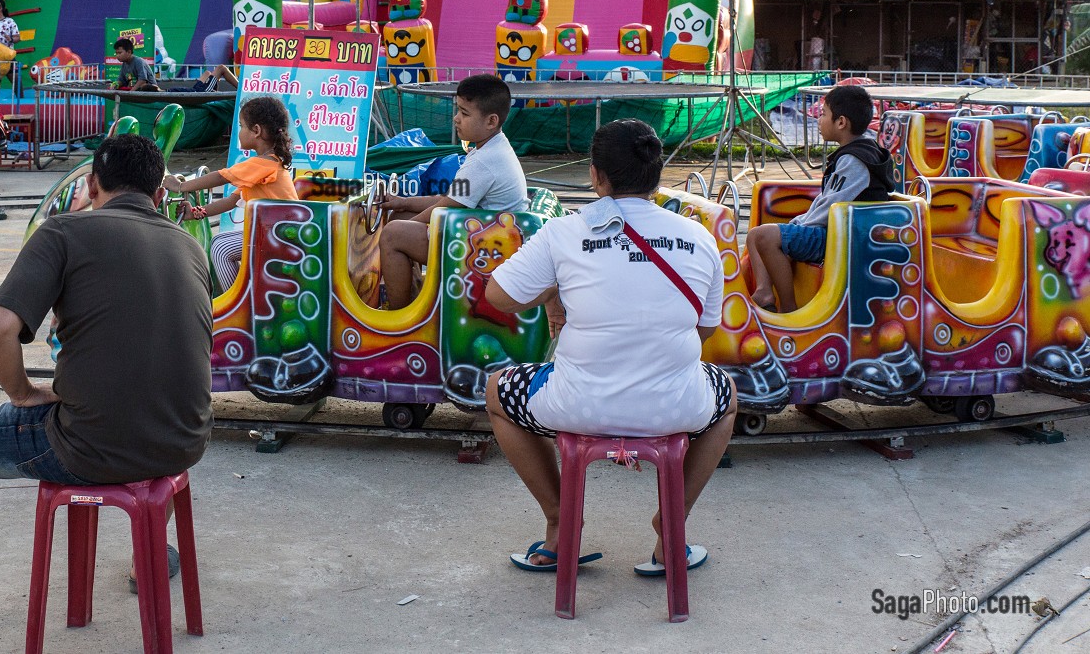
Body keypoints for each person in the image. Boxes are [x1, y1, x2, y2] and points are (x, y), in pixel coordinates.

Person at [0, 134, 212, 636]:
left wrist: (21, 394)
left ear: (92, 183)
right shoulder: (189, 246)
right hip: (183, 441)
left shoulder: (64, 231)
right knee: (146, 400)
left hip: (88, 446)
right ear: (160, 195)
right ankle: (142, 558)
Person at [484, 119, 736, 575]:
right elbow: (701, 333)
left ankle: (562, 526)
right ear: (656, 175)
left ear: (596, 176)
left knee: (497, 390)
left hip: (577, 404)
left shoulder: (564, 232)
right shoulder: (699, 238)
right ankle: (670, 531)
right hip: (674, 406)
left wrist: (554, 289)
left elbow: (499, 296)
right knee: (729, 396)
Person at [377, 74, 528, 309]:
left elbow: (446, 205)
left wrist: (408, 226)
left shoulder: (485, 161)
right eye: (458, 110)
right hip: (483, 233)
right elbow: (450, 198)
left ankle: (398, 319)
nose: (456, 119)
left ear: (491, 121)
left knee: (392, 233)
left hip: (488, 249)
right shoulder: (491, 147)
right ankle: (414, 298)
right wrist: (403, 203)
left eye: (465, 114)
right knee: (399, 219)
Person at [747, 84, 895, 313]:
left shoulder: (856, 161)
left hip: (841, 237)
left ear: (841, 122)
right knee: (755, 235)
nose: (819, 119)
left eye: (823, 114)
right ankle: (765, 292)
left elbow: (832, 206)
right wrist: (799, 222)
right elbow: (828, 201)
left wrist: (800, 224)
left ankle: (789, 308)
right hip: (835, 230)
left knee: (765, 236)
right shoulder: (851, 156)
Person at [164, 96, 298, 290]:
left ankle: (236, 300)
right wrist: (194, 213)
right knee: (219, 240)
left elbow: (221, 177)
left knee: (221, 249)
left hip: (279, 236)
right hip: (277, 234)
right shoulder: (265, 165)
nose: (239, 132)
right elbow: (230, 201)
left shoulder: (262, 164)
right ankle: (240, 294)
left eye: (242, 126)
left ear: (256, 131)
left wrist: (180, 186)